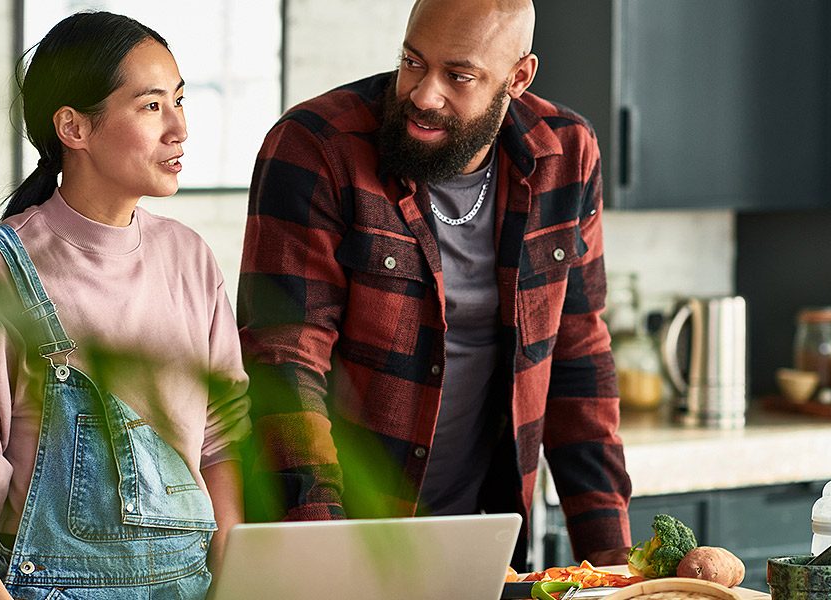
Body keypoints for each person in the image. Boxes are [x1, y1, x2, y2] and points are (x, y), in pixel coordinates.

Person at [238, 0, 631, 568]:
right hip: (341, 536)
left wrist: (617, 565)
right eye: (413, 62)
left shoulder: (566, 155)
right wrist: (322, 553)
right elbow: (284, 361)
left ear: (518, 78)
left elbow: (578, 360)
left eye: (459, 75)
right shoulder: (317, 147)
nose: (423, 94)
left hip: (479, 541)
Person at [0, 11, 249, 600]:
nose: (179, 128)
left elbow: (220, 439)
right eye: (152, 106)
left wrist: (230, 580)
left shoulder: (191, 260)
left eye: (180, 101)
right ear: (74, 128)